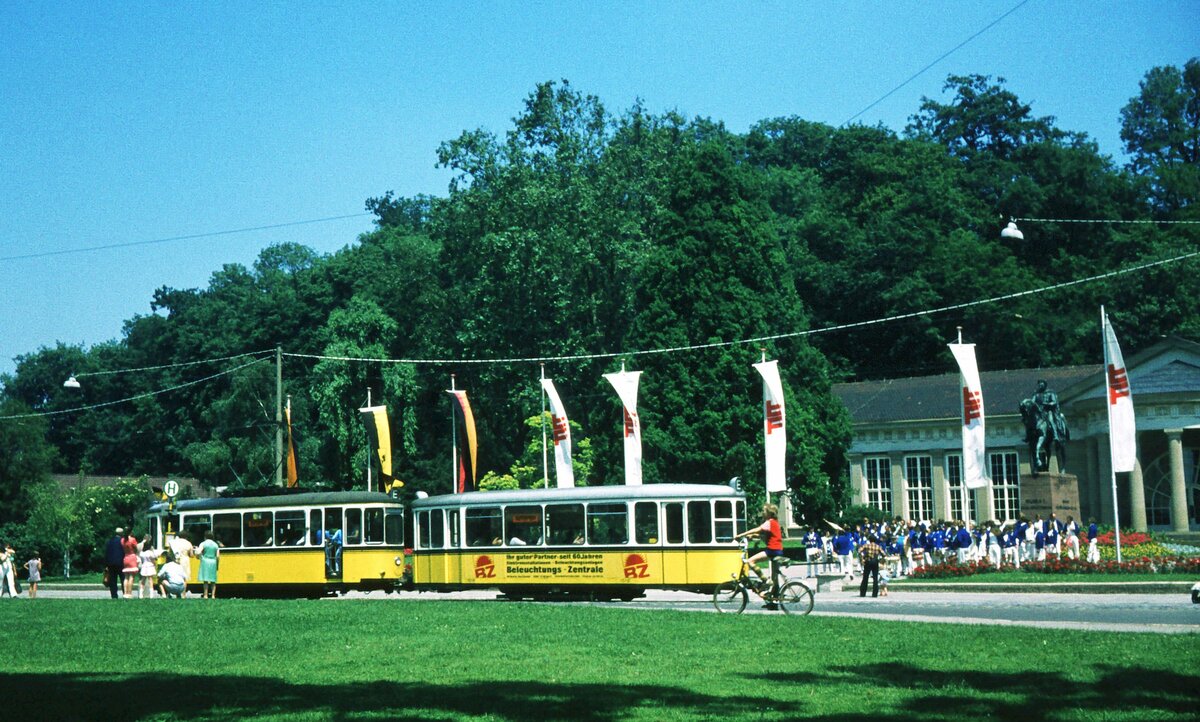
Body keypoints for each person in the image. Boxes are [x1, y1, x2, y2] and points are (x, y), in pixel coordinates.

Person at [733, 503, 784, 595]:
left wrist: (741, 534)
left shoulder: (769, 522)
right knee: (774, 578)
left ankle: (764, 580)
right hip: (778, 550)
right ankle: (774, 599)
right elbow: (764, 535)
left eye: (764, 511)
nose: (763, 512)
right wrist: (752, 536)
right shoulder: (775, 523)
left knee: (750, 561)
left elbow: (757, 529)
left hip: (772, 550)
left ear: (769, 513)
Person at [169, 531, 194, 597]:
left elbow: (170, 553)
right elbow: (191, 555)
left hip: (176, 561)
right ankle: (183, 594)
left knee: (176, 577)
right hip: (185, 561)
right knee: (184, 578)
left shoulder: (174, 542)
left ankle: (177, 594)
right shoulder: (188, 543)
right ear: (186, 536)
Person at [196, 531, 220, 599]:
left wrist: (198, 556)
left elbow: (198, 552)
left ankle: (205, 595)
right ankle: (213, 595)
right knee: (213, 580)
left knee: (205, 580)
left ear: (205, 536)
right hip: (213, 562)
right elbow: (218, 556)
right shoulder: (216, 545)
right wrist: (217, 565)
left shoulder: (203, 543)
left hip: (205, 561)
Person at [104, 528, 125, 599]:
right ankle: (125, 593)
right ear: (122, 533)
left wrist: (106, 564)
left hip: (111, 563)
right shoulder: (123, 541)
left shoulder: (110, 541)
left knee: (113, 581)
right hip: (121, 563)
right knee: (123, 579)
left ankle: (114, 595)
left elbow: (106, 553)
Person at [121, 531, 140, 598]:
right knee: (131, 577)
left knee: (126, 577)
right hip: (132, 557)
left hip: (125, 557)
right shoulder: (132, 539)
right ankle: (129, 593)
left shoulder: (122, 540)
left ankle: (125, 593)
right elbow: (136, 548)